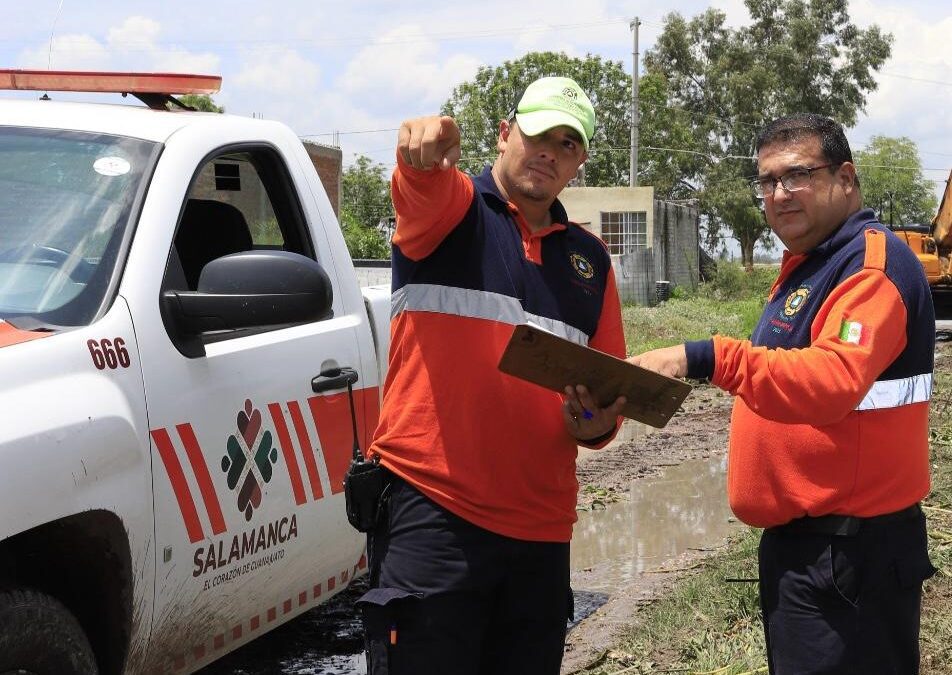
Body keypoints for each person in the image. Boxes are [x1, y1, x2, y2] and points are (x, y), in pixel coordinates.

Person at [631, 113, 937, 674]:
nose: (778, 194)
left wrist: (707, 356)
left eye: (797, 175)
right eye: (767, 182)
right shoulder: (810, 266)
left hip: (851, 558)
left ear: (845, 177)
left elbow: (831, 381)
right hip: (811, 551)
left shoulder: (871, 267)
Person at [357, 76, 627, 675]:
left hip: (540, 534)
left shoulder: (590, 263)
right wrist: (420, 150)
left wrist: (596, 423)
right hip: (434, 515)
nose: (549, 152)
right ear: (505, 135)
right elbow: (419, 180)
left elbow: (605, 402)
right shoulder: (451, 211)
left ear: (578, 161)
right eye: (537, 134)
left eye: (567, 143)